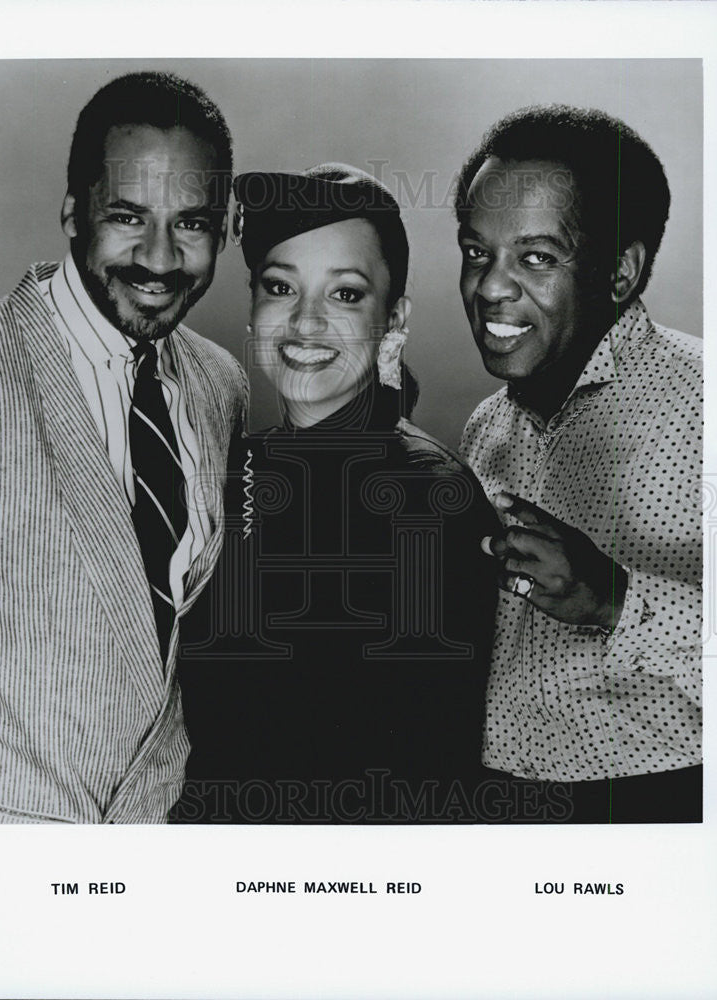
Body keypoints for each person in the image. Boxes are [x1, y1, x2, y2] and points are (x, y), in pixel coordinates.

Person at [0, 72, 247, 823]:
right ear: (72, 214)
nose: (158, 259)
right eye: (127, 215)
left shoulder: (222, 385)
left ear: (226, 227)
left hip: (154, 859)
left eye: (190, 223)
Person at [172, 165, 500, 824]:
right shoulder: (241, 464)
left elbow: (420, 777)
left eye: (346, 294)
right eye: (279, 286)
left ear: (395, 318)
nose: (305, 322)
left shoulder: (428, 500)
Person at [455, 105, 702, 822]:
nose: (491, 288)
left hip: (658, 810)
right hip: (500, 806)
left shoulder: (707, 402)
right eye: (477, 251)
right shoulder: (485, 427)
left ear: (621, 271)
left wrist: (613, 599)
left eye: (536, 257)